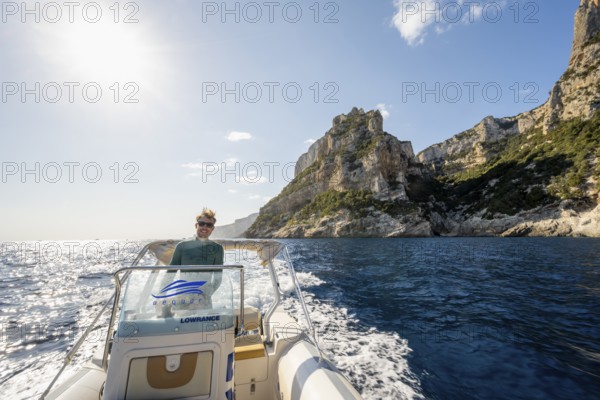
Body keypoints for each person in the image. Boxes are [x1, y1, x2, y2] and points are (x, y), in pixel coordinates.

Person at [160, 208, 224, 314]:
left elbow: (218, 278)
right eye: (202, 223)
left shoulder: (217, 249)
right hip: (182, 298)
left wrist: (206, 295)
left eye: (209, 225)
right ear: (196, 225)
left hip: (204, 300)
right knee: (179, 328)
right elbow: (170, 273)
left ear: (213, 228)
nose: (205, 227)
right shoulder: (182, 246)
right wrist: (161, 297)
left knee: (203, 329)